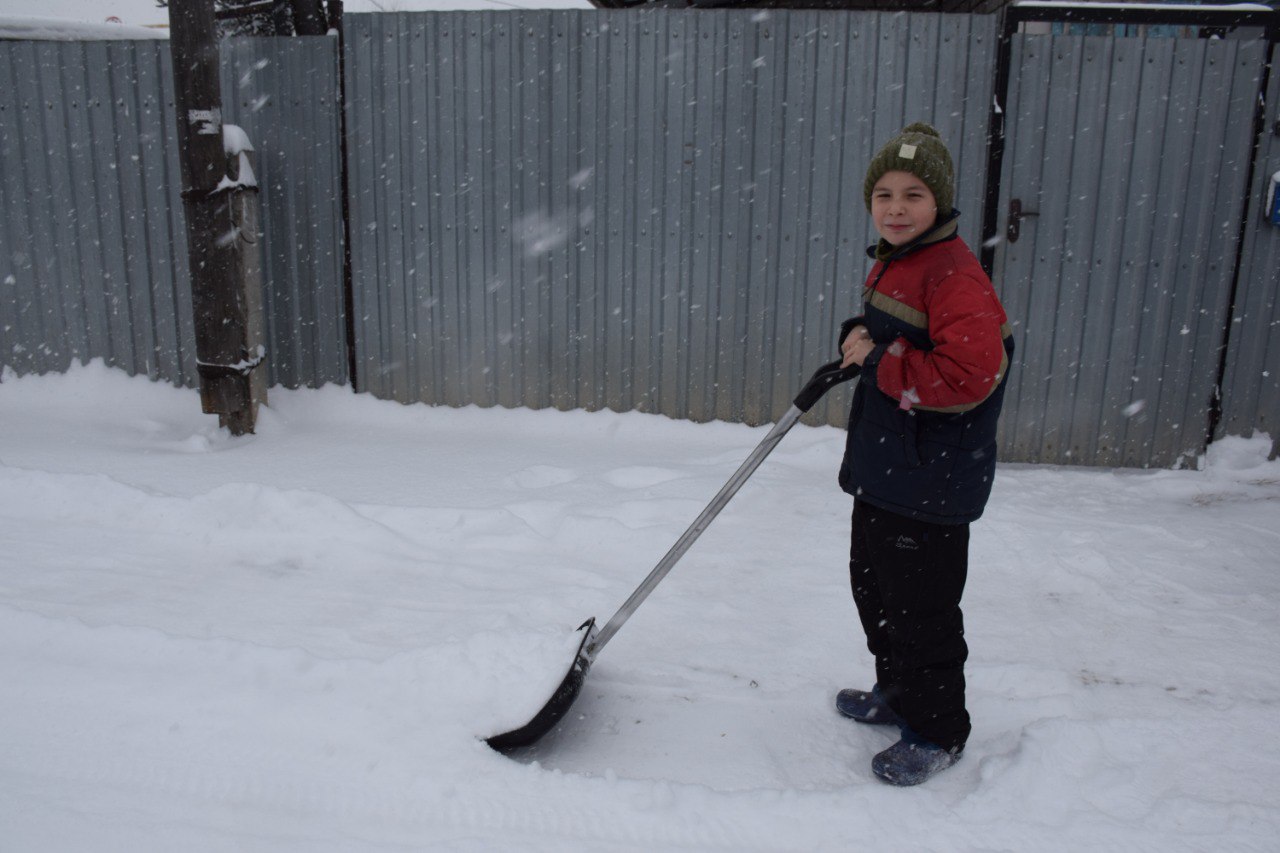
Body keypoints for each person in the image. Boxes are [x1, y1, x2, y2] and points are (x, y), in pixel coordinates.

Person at [834, 123, 1014, 786]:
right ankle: (898, 692)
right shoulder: (899, 260)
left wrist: (880, 358)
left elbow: (968, 377)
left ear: (939, 201)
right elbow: (893, 333)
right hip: (889, 468)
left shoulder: (954, 276)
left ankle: (938, 729)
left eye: (913, 193)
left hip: (930, 482)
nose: (896, 206)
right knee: (875, 591)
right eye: (883, 193)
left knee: (922, 612)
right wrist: (861, 332)